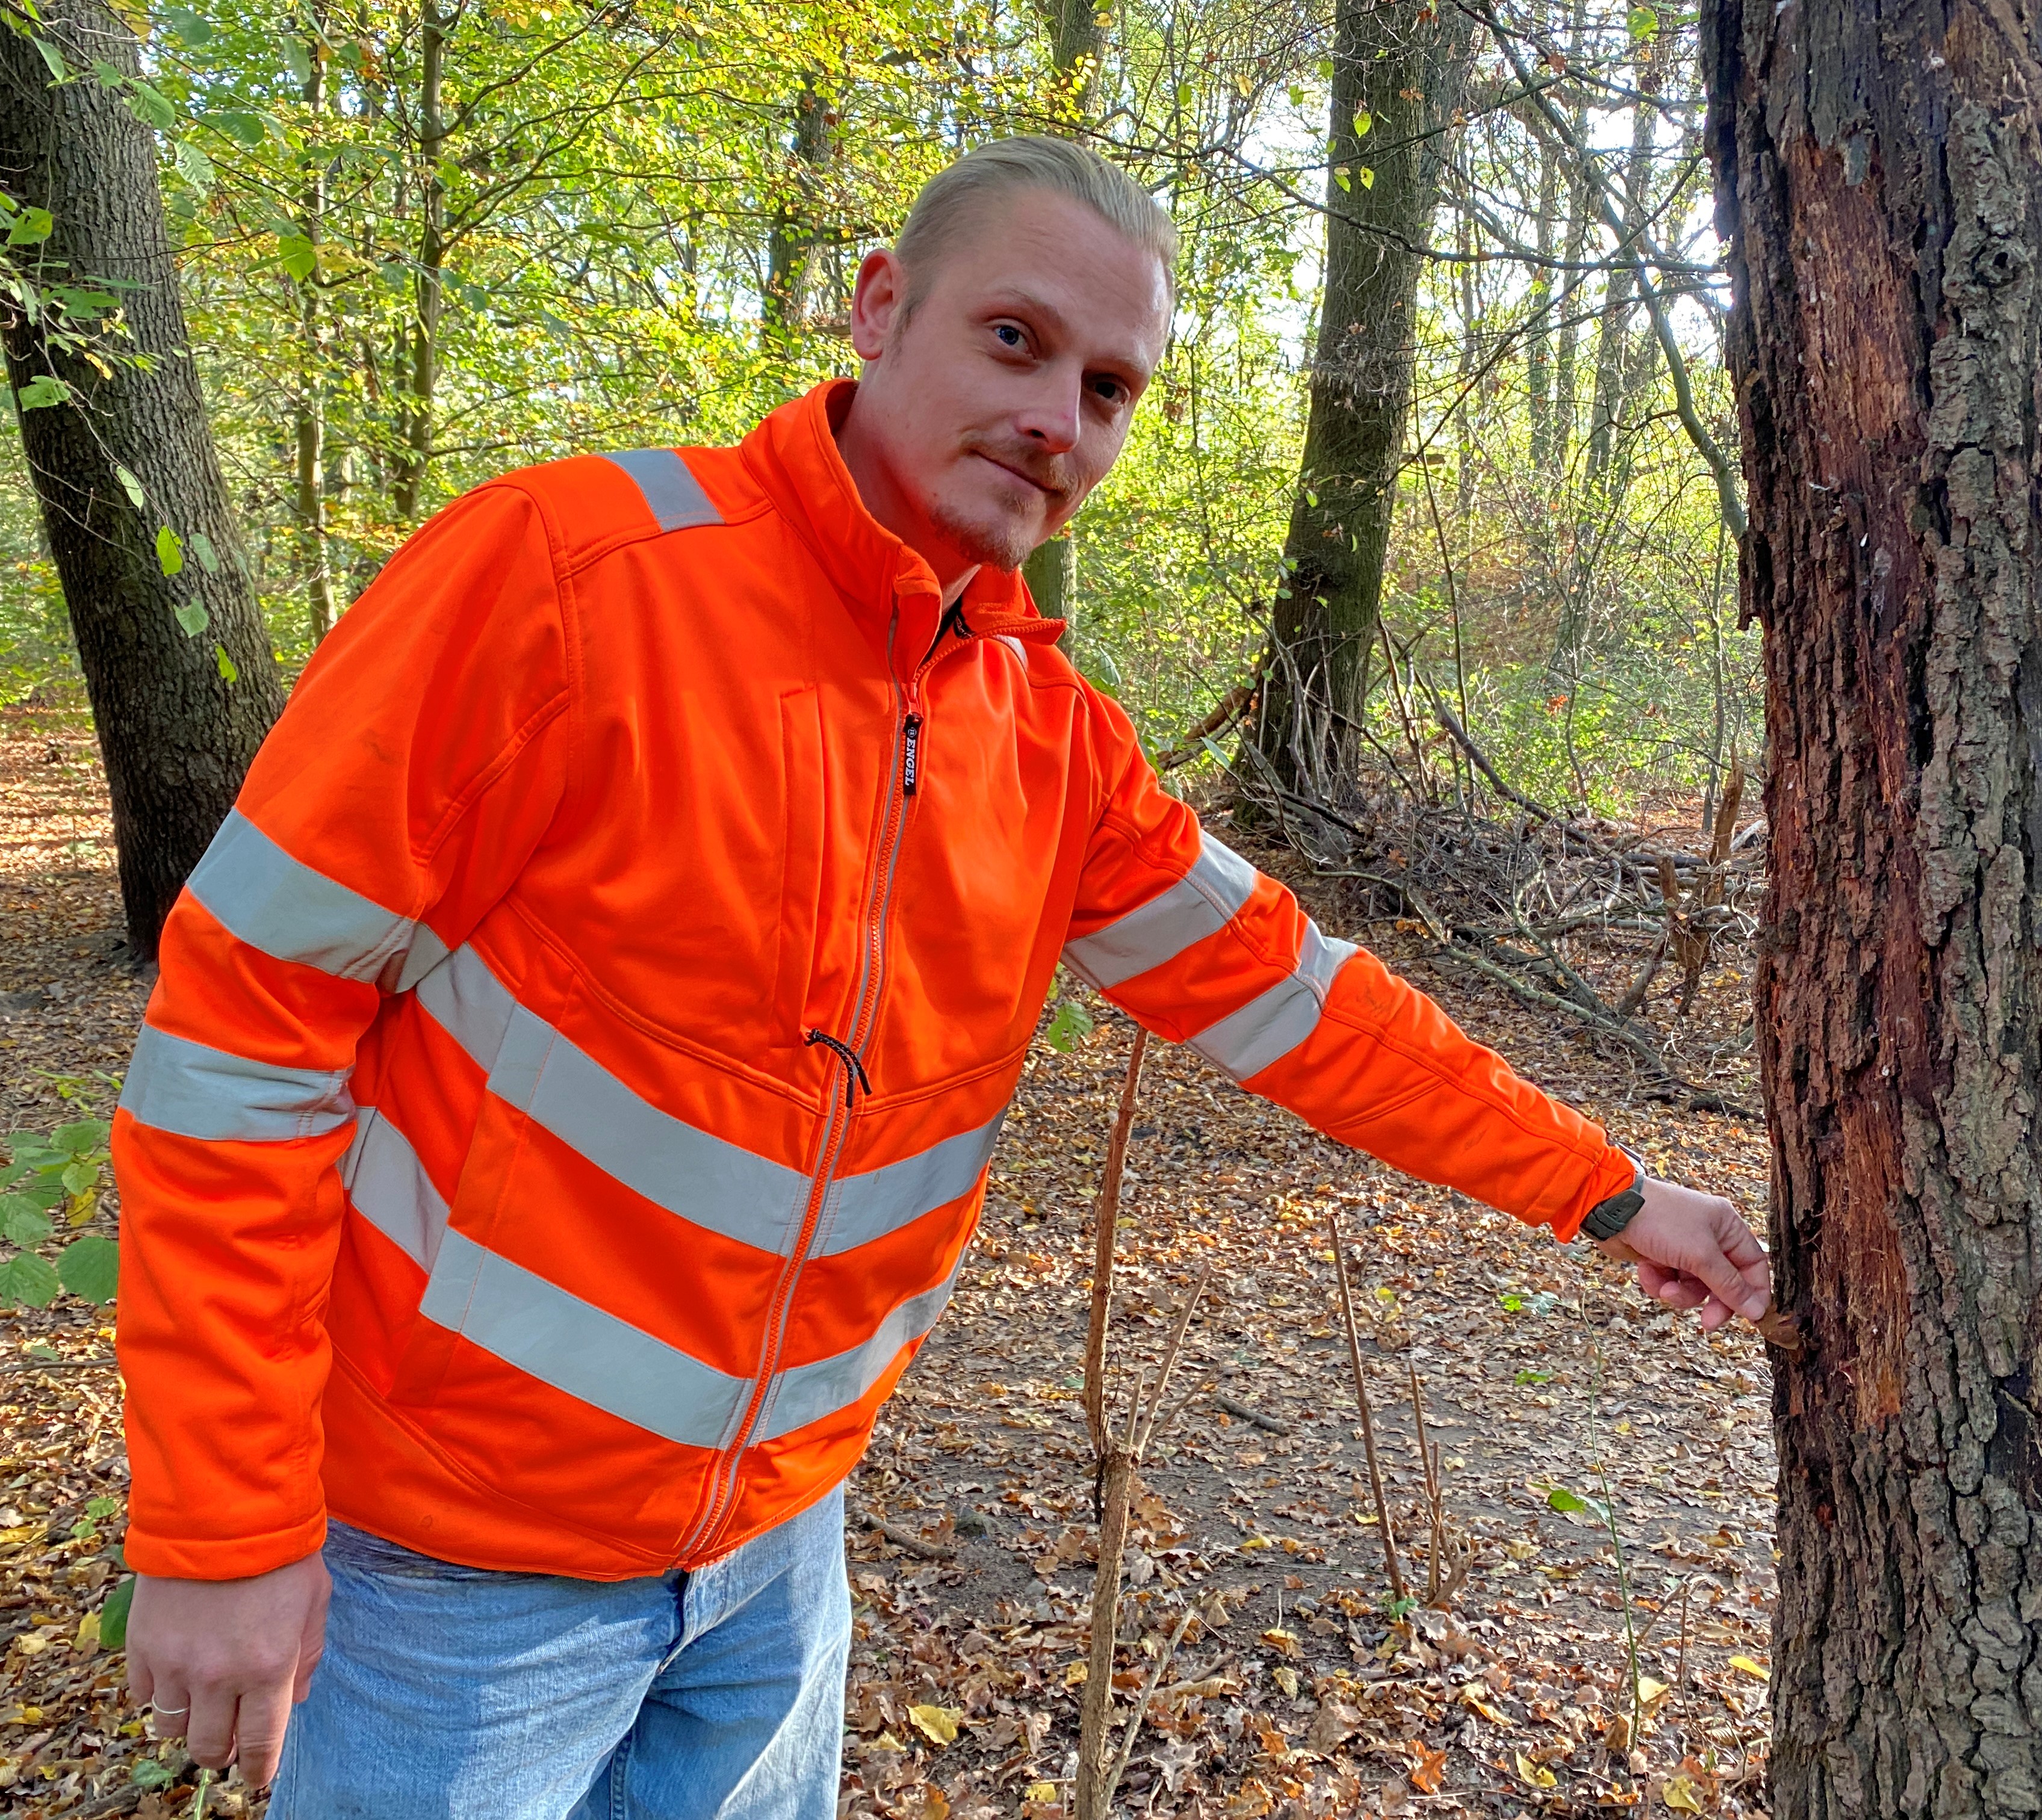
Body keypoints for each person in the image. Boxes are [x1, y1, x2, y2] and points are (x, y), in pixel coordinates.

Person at [111, 135, 1769, 1816]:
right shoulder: (566, 574)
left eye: (1113, 388)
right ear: (882, 309)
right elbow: (239, 1040)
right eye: (1016, 341)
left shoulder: (1050, 745)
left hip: (771, 1569)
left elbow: (1305, 1007)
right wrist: (221, 1525)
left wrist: (1619, 1194)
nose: (1064, 420)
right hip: (451, 1580)